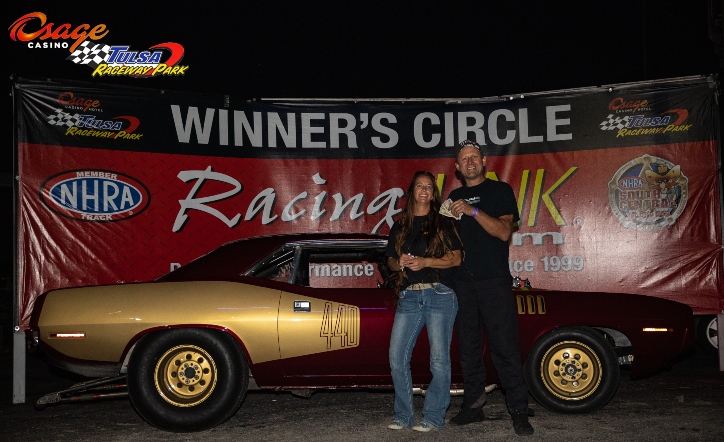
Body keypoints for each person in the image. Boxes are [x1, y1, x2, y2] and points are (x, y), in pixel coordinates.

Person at [447, 140, 534, 436]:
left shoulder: (500, 191)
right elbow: (448, 242)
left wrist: (472, 212)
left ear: (484, 161)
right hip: (462, 282)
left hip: (493, 280)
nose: (470, 162)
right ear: (457, 168)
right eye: (464, 159)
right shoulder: (453, 197)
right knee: (468, 348)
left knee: (504, 347)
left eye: (474, 157)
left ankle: (519, 410)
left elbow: (503, 231)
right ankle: (473, 406)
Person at [385, 170, 462, 432]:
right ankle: (403, 416)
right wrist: (401, 263)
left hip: (439, 293)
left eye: (429, 187)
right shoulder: (400, 224)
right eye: (420, 186)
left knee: (439, 361)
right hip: (409, 294)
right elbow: (390, 261)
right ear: (412, 192)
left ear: (434, 193)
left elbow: (456, 258)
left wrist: (426, 261)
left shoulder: (444, 221)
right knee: (397, 356)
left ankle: (433, 417)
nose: (424, 190)